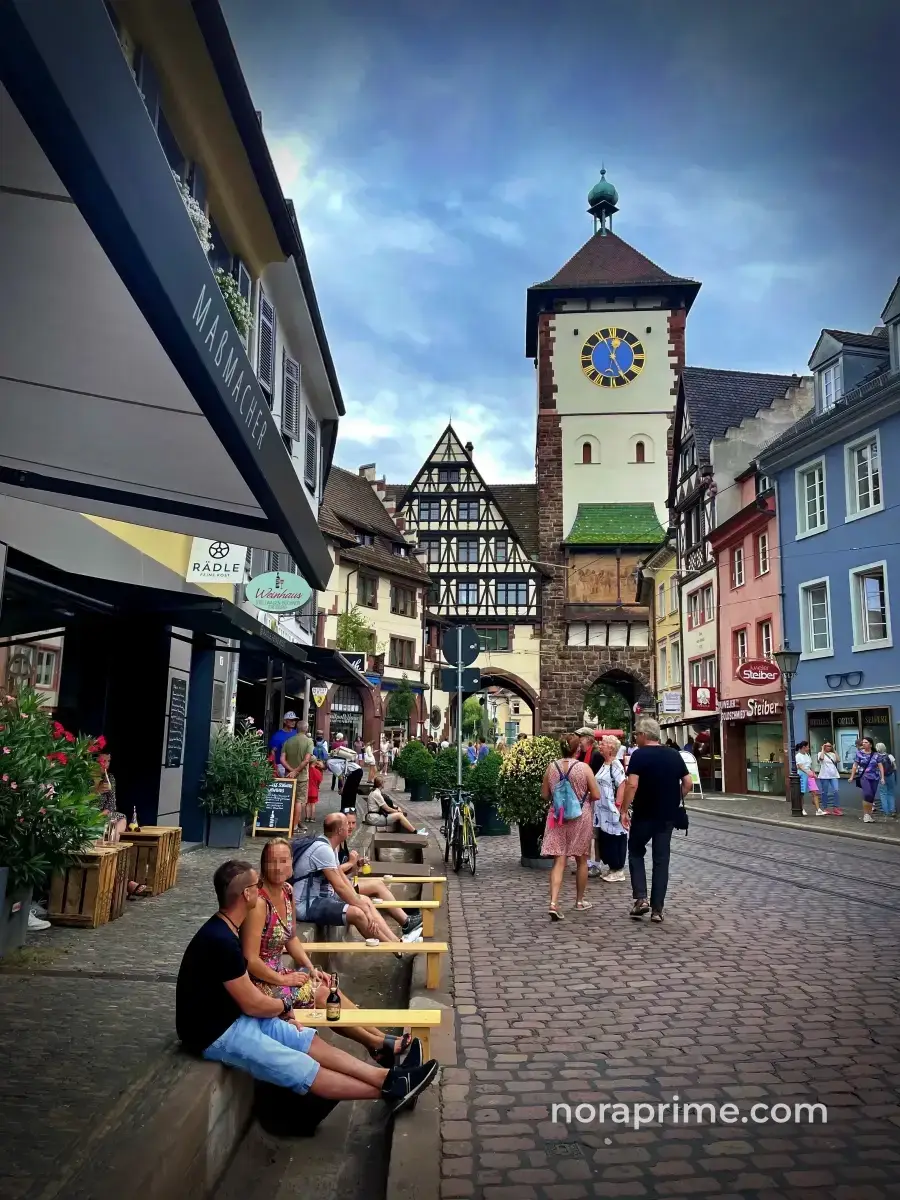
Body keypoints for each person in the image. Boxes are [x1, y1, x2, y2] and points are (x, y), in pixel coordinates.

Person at [176, 859, 438, 1110]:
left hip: (234, 1017)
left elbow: (248, 997)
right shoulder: (221, 940)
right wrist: (286, 1003)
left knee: (308, 1041)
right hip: (215, 1033)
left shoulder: (226, 929)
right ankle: (392, 1089)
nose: (261, 890)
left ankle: (389, 1075)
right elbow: (252, 1003)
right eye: (257, 886)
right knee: (301, 1067)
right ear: (246, 894)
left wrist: (283, 1009)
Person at [242, 839, 416, 1063]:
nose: (277, 867)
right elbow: (250, 959)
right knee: (323, 994)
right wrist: (285, 980)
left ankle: (380, 1037)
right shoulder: (259, 903)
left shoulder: (287, 891)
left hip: (277, 975)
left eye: (283, 860)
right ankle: (376, 1044)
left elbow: (291, 937)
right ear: (263, 864)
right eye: (271, 861)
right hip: (258, 983)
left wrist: (310, 968)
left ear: (291, 864)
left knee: (327, 986)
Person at [621, 717, 691, 923]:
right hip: (666, 816)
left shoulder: (639, 756)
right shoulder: (673, 754)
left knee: (635, 851)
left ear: (643, 735)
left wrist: (624, 810)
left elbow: (632, 785)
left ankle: (641, 898)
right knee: (661, 860)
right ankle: (657, 909)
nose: (636, 739)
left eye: (636, 735)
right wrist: (676, 798)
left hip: (644, 814)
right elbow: (688, 782)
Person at [292, 814, 402, 944]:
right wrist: (364, 909)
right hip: (307, 904)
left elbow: (342, 878)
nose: (350, 828)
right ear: (339, 830)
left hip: (320, 898)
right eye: (347, 825)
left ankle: (395, 940)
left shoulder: (328, 846)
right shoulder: (323, 850)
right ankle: (392, 947)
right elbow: (339, 887)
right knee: (358, 913)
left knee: (364, 900)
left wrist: (360, 901)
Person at [540, 734, 600, 921]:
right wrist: (583, 797)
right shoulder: (584, 768)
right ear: (578, 750)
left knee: (559, 860)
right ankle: (579, 901)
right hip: (580, 816)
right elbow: (596, 794)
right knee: (582, 859)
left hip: (558, 816)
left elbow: (544, 794)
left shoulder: (552, 767)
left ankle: (553, 902)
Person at [338, 810, 424, 940]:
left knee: (377, 884)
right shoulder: (335, 844)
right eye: (347, 823)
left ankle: (404, 925)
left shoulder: (342, 841)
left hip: (345, 882)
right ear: (340, 825)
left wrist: (357, 863)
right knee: (375, 888)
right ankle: (405, 924)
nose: (350, 826)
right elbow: (334, 871)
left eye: (353, 823)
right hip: (340, 887)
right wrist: (351, 863)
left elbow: (346, 870)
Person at [95, 751, 152, 899]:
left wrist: (103, 813)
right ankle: (125, 883)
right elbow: (78, 805)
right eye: (102, 761)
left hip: (103, 818)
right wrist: (96, 792)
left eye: (108, 761)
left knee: (121, 818)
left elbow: (111, 806)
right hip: (87, 820)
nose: (105, 765)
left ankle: (113, 848)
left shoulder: (110, 778)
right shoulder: (82, 778)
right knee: (117, 822)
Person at [594, 735, 628, 882]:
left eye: (603, 744)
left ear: (611, 748)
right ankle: (612, 868)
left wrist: (619, 806)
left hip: (612, 809)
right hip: (602, 811)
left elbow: (622, 785)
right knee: (606, 839)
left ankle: (618, 869)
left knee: (616, 839)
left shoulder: (615, 764)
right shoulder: (604, 763)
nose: (599, 746)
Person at [849, 737, 885, 823]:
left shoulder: (876, 755)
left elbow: (880, 766)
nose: (863, 744)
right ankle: (866, 814)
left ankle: (869, 815)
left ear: (870, 744)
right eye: (863, 742)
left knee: (871, 796)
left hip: (875, 777)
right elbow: (855, 765)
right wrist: (852, 776)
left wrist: (882, 777)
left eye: (866, 742)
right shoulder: (859, 754)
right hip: (864, 776)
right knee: (867, 794)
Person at [794, 741, 824, 815]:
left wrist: (813, 773)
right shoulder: (798, 756)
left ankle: (818, 810)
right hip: (802, 774)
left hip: (809, 774)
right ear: (804, 747)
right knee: (802, 793)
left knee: (814, 791)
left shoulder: (807, 755)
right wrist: (808, 773)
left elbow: (810, 765)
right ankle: (801, 809)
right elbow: (800, 766)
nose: (808, 748)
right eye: (807, 747)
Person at [269, 712, 299, 777]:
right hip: (281, 766)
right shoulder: (277, 736)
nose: (293, 722)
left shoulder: (296, 733)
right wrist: (274, 767)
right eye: (291, 720)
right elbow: (272, 752)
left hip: (295, 765)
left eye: (295, 720)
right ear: (285, 721)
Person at [816, 742, 842, 815]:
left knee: (836, 790)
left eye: (830, 746)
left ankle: (835, 808)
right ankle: (825, 808)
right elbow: (821, 758)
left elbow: (838, 760)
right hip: (824, 775)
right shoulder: (820, 753)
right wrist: (822, 749)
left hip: (834, 775)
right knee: (825, 792)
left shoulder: (833, 754)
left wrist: (834, 750)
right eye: (827, 746)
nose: (828, 747)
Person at [876, 743, 897, 818]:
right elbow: (895, 767)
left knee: (883, 794)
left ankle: (886, 811)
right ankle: (892, 810)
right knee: (890, 793)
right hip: (890, 776)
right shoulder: (889, 756)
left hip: (881, 777)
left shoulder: (876, 757)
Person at [303, 757, 324, 827]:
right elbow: (319, 780)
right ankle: (312, 818)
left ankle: (307, 817)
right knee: (313, 804)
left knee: (307, 804)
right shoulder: (317, 771)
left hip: (306, 789)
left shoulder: (306, 770)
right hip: (314, 790)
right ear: (315, 763)